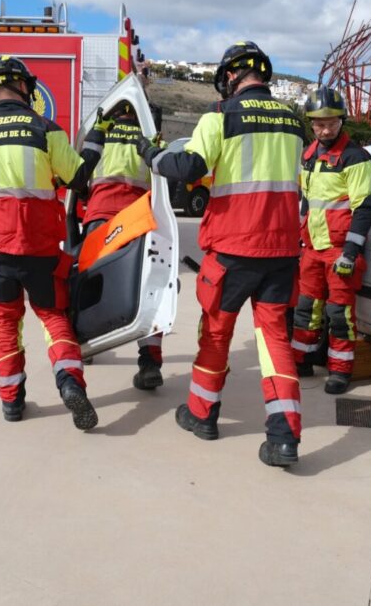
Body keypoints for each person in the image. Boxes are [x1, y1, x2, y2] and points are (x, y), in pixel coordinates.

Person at [136, 41, 306, 467]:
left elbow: (191, 168)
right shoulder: (292, 121)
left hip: (233, 249)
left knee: (215, 334)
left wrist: (154, 157)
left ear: (231, 76)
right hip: (281, 250)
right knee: (274, 341)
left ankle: (202, 414)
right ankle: (284, 437)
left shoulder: (220, 116)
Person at [0, 54, 105, 429]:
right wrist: (95, 141)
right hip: (41, 249)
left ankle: (11, 401)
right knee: (54, 318)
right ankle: (70, 381)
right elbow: (77, 177)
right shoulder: (45, 127)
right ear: (25, 86)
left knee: (5, 323)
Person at [291, 87, 371, 394]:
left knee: (339, 314)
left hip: (340, 251)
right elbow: (306, 202)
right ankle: (301, 359)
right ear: (311, 123)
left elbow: (363, 207)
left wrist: (351, 252)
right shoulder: (309, 155)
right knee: (306, 308)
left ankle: (340, 370)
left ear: (342, 121)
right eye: (317, 123)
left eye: (330, 122)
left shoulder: (355, 158)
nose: (324, 128)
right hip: (312, 249)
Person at [83, 101, 165, 391]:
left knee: (91, 287)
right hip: (138, 219)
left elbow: (80, 175)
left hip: (101, 218)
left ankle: (87, 345)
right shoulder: (151, 139)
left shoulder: (99, 134)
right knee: (148, 289)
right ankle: (149, 363)